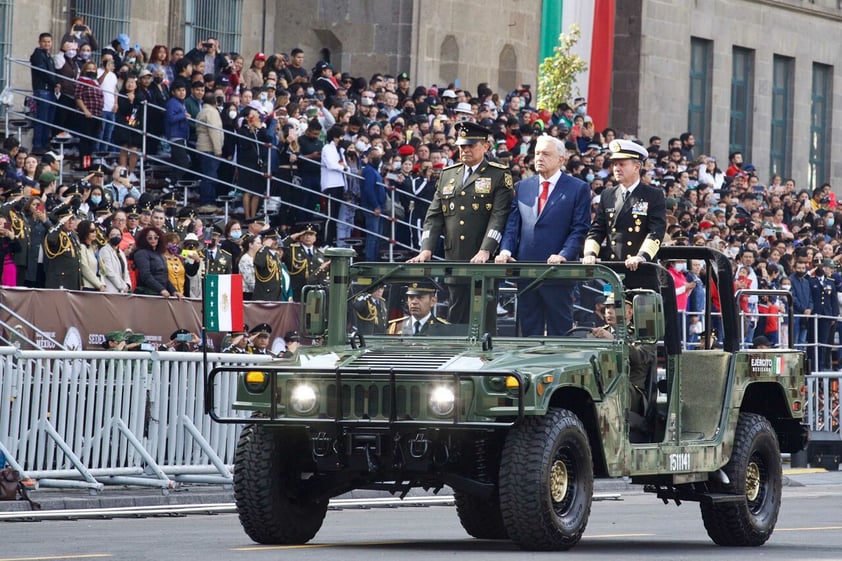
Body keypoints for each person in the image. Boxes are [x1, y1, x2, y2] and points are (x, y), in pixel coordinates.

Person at [408, 121, 514, 323]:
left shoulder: (499, 174)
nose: (465, 150)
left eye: (471, 145)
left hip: (484, 262)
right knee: (455, 317)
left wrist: (486, 250)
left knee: (483, 320)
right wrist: (426, 248)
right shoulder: (449, 174)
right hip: (455, 257)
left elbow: (499, 216)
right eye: (462, 146)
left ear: (485, 146)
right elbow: (433, 216)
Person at [496, 135, 591, 336]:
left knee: (560, 332)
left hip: (557, 272)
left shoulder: (578, 188)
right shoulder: (523, 186)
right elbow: (513, 226)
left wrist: (564, 254)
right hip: (527, 273)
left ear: (561, 159)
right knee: (528, 332)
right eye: (537, 153)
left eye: (546, 154)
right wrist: (505, 250)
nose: (539, 158)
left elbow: (579, 228)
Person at [583, 139, 666, 271]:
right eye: (615, 164)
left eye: (622, 164)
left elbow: (656, 232)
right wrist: (590, 254)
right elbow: (597, 230)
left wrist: (641, 257)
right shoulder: (607, 194)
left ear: (637, 167)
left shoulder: (653, 195)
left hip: (640, 269)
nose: (617, 168)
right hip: (611, 269)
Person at [283, 223, 329, 300]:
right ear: (300, 237)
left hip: (315, 294)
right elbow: (281, 246)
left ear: (315, 238)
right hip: (297, 293)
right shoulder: (292, 251)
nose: (308, 237)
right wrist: (293, 236)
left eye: (311, 234)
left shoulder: (321, 254)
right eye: (305, 234)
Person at [132, 225, 181, 298]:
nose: (153, 239)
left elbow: (164, 277)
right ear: (144, 239)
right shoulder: (141, 253)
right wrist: (161, 289)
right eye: (149, 238)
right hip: (147, 293)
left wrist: (174, 291)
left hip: (161, 292)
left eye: (156, 237)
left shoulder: (160, 254)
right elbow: (145, 275)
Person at [30, 33, 59, 153]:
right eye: (44, 41)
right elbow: (43, 72)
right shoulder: (38, 55)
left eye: (49, 42)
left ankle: (45, 143)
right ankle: (37, 145)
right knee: (42, 119)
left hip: (50, 90)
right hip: (43, 90)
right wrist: (55, 82)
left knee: (49, 119)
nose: (47, 44)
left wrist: (56, 82)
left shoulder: (48, 56)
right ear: (39, 42)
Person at [43, 204, 82, 290]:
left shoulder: (73, 236)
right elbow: (51, 239)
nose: (71, 222)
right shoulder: (56, 234)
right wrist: (59, 224)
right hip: (60, 282)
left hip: (72, 282)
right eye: (68, 219)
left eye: (72, 219)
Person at [810, 258, 838, 370]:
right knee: (813, 342)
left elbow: (834, 301)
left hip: (826, 316)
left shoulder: (830, 282)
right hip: (814, 315)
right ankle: (813, 367)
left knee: (823, 343)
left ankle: (821, 367)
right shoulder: (811, 281)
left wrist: (834, 316)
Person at [360, 147, 386, 261]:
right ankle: (370, 259)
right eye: (375, 156)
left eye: (379, 157)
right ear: (369, 158)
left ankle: (374, 258)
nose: (378, 159)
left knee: (377, 236)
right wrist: (375, 206)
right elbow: (368, 190)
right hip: (372, 207)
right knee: (373, 235)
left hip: (378, 207)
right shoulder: (369, 171)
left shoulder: (375, 171)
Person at [253, 229, 293, 301]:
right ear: (265, 239)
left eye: (277, 239)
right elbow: (258, 263)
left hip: (276, 297)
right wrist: (265, 246)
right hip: (265, 297)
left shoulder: (274, 255)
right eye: (273, 239)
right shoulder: (262, 252)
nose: (276, 241)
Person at [99, 226, 132, 293]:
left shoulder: (121, 252)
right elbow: (109, 271)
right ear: (108, 238)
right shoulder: (104, 250)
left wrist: (128, 284)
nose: (116, 237)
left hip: (122, 290)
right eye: (113, 235)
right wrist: (122, 286)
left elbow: (125, 270)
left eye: (118, 235)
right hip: (110, 289)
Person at [76, 219, 105, 291]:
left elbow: (102, 269)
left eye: (95, 230)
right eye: (91, 231)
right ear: (84, 232)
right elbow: (84, 268)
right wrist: (99, 284)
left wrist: (102, 283)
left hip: (99, 287)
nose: (94, 233)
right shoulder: (82, 247)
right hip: (88, 287)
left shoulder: (94, 248)